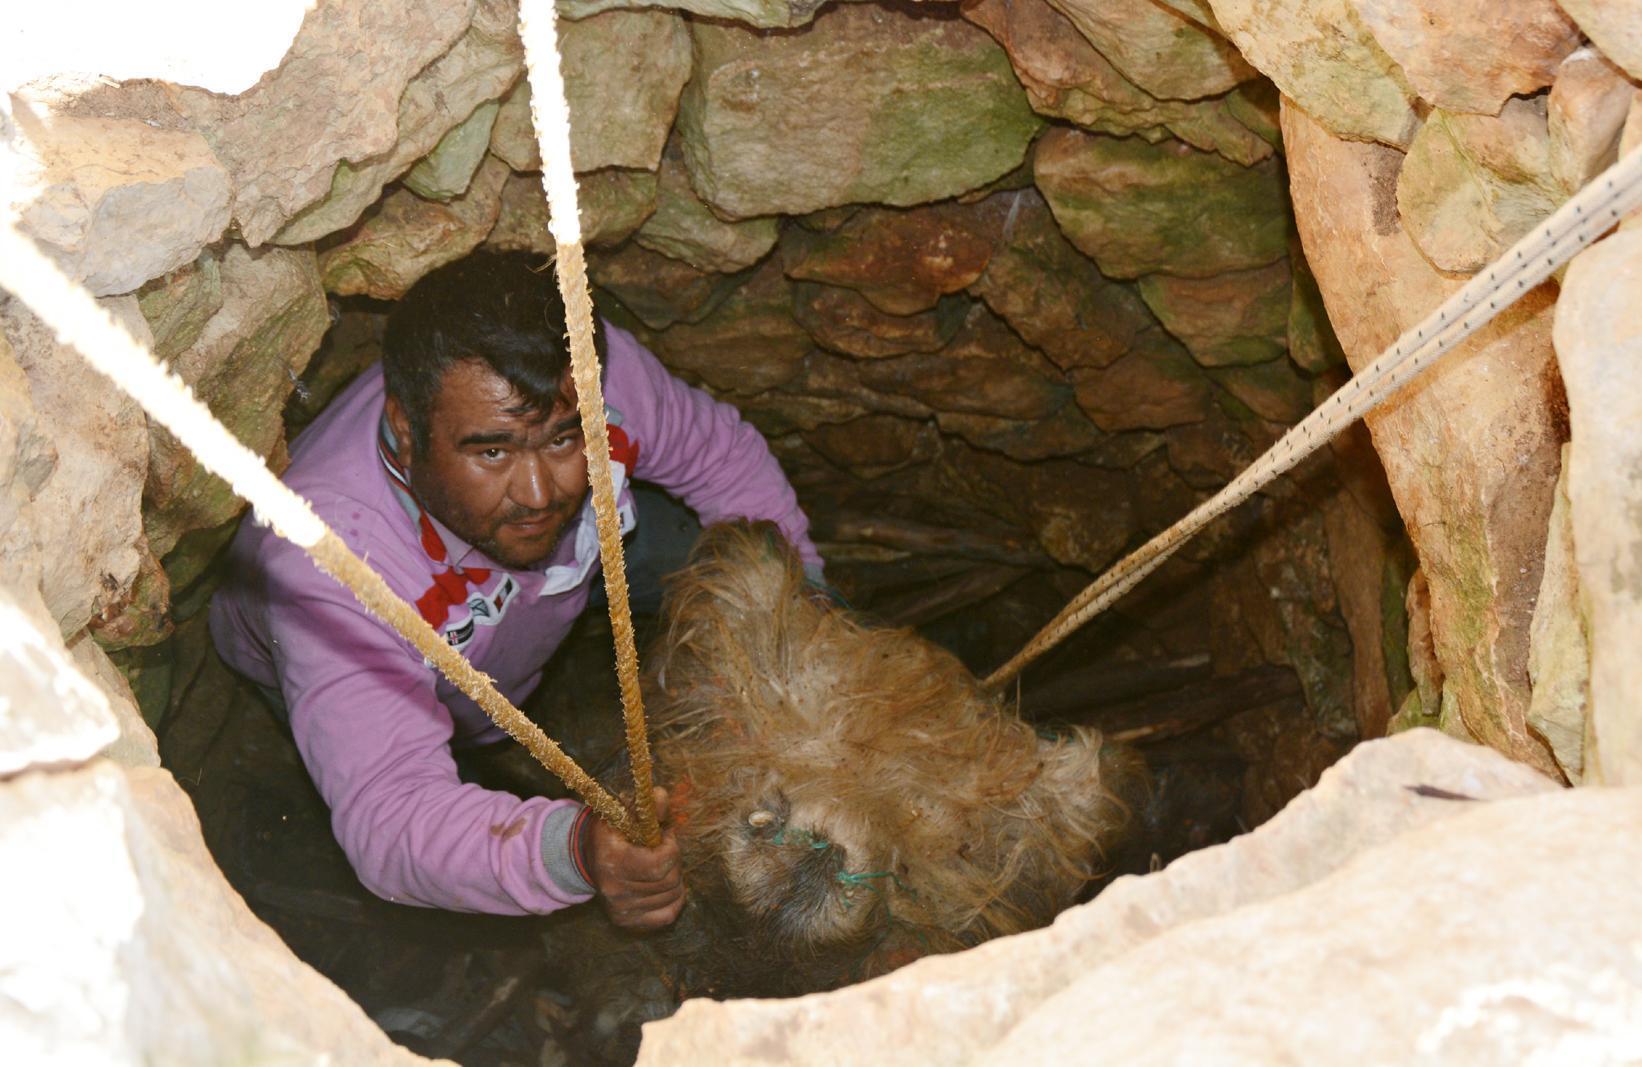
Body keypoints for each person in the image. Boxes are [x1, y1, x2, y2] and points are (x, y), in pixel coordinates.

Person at [209, 252, 822, 930]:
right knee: (398, 760)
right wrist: (576, 851)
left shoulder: (593, 374)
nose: (539, 493)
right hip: (374, 640)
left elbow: (723, 459)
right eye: (492, 452)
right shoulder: (327, 562)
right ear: (407, 434)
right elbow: (393, 812)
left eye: (564, 438)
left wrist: (801, 614)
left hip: (540, 587)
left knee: (715, 553)